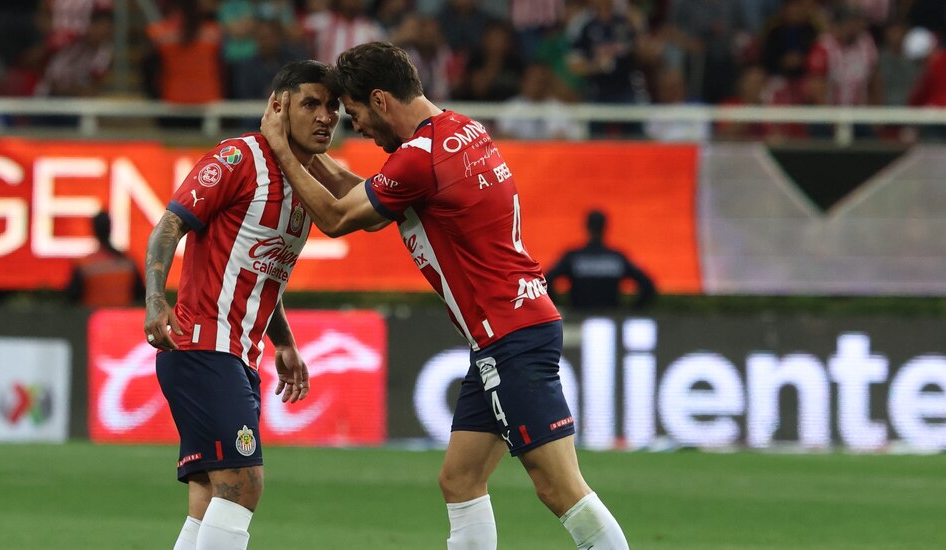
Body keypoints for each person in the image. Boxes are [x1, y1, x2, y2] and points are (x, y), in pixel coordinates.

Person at [260, 42, 629, 549]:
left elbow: (338, 218)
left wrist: (280, 147)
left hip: (509, 336)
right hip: (510, 330)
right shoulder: (459, 131)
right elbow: (365, 193)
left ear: (382, 99)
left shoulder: (418, 159)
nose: (357, 128)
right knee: (460, 480)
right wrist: (310, 157)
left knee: (559, 487)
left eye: (357, 114)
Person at [144, 60, 345, 550]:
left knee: (211, 495)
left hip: (237, 355)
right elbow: (167, 227)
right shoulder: (239, 158)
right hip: (201, 349)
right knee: (243, 484)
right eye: (312, 103)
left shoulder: (306, 180)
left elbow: (261, 271)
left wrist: (286, 342)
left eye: (333, 107)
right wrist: (155, 300)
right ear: (279, 105)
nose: (326, 117)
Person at [546, 210, 656, 312]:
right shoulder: (616, 258)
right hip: (609, 323)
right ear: (604, 227)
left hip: (579, 320)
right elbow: (647, 285)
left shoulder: (573, 257)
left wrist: (561, 308)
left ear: (587, 226)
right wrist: (630, 311)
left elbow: (544, 282)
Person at [66, 210, 145, 308]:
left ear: (94, 230)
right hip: (121, 318)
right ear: (110, 228)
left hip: (95, 320)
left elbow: (72, 298)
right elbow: (141, 295)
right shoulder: (128, 263)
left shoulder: (84, 265)